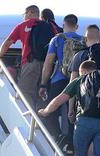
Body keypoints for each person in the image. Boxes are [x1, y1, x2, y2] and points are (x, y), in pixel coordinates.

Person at [0, 5, 53, 109]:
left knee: (25, 93)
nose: (23, 17)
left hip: (30, 63)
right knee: (41, 94)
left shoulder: (23, 25)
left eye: (24, 14)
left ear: (30, 12)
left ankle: (29, 122)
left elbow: (7, 42)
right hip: (47, 65)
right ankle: (39, 121)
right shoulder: (48, 26)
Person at [38, 14, 83, 146]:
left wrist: (43, 84)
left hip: (59, 79)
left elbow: (48, 63)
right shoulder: (83, 40)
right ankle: (70, 142)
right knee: (73, 112)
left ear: (63, 25)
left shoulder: (57, 40)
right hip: (76, 82)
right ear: (77, 26)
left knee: (50, 110)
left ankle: (58, 136)